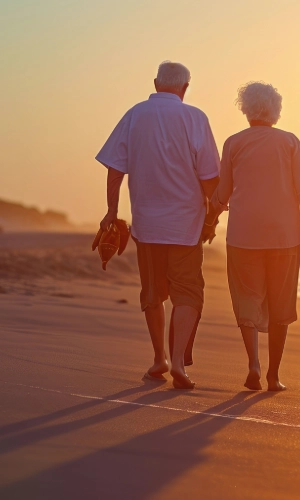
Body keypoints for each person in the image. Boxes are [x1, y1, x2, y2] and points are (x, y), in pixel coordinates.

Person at [96, 61, 220, 389]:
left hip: (147, 224)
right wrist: (213, 216)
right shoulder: (196, 118)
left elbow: (114, 167)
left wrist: (111, 210)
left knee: (153, 292)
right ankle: (178, 362)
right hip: (187, 225)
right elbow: (210, 178)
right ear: (185, 88)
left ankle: (159, 359)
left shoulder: (135, 114)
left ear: (155, 83)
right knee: (188, 293)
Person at [207, 82, 300, 391]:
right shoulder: (289, 142)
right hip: (284, 236)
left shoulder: (234, 143)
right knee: (280, 303)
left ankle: (253, 365)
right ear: (276, 110)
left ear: (246, 109)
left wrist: (211, 219)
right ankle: (274, 375)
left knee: (247, 299)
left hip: (244, 235)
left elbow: (224, 191)